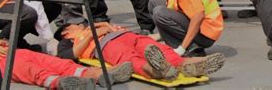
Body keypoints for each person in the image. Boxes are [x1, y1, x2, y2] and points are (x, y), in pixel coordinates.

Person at [56, 22, 225, 80]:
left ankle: (187, 64)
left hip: (127, 35)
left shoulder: (94, 24)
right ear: (66, 32)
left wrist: (107, 26)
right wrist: (91, 34)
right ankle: (156, 71)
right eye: (74, 25)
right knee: (131, 58)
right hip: (105, 45)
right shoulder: (67, 42)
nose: (79, 25)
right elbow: (69, 56)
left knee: (158, 49)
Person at [0, 39, 132, 89]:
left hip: (20, 53)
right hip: (2, 65)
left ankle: (99, 75)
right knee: (37, 72)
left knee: (58, 63)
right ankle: (63, 84)